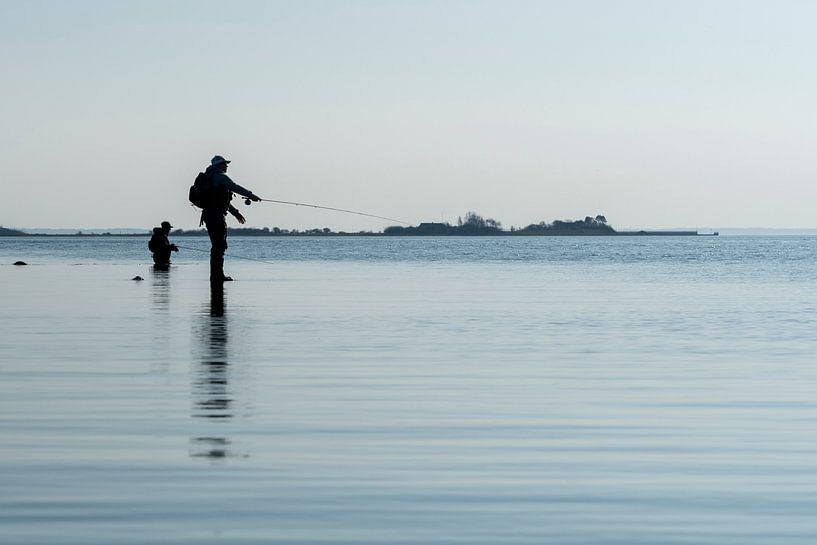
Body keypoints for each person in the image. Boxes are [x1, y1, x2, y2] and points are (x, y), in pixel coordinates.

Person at [200, 155, 260, 282]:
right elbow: (234, 187)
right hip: (216, 216)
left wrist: (235, 213)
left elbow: (221, 201)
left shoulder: (209, 177)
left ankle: (216, 275)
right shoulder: (220, 176)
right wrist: (251, 195)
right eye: (224, 163)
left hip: (209, 215)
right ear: (218, 165)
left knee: (217, 245)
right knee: (219, 246)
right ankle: (217, 276)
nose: (226, 166)